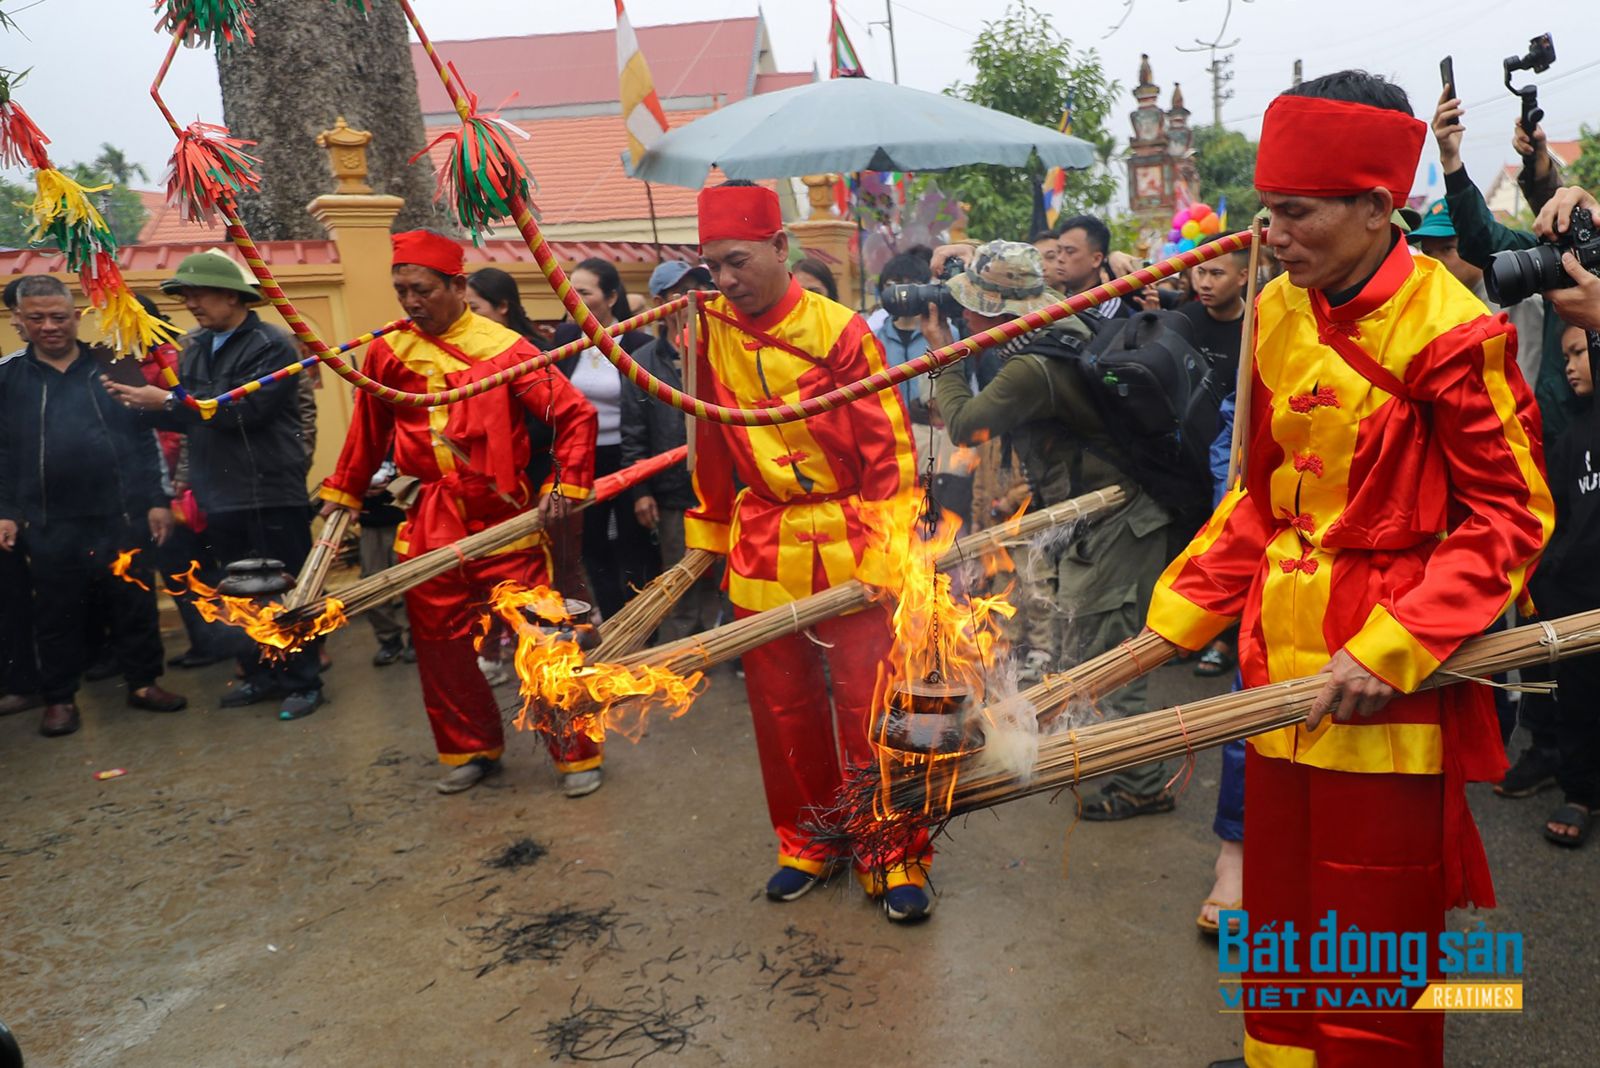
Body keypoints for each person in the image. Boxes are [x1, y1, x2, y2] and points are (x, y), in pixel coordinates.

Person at [1146, 72, 1551, 1068]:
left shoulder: (1453, 328)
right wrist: (1176, 619)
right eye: (1264, 213)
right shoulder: (1279, 311)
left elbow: (1512, 513)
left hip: (1383, 683)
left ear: (1376, 206)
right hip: (1276, 664)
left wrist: (1397, 643)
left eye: (1293, 214)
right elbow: (1261, 493)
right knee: (1277, 907)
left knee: (1371, 935)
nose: (1269, 237)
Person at [687, 181, 930, 923]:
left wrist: (896, 555)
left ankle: (894, 849)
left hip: (853, 542)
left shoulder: (842, 331)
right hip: (763, 543)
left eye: (736, 261)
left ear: (779, 247)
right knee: (782, 707)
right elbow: (708, 441)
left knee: (872, 706)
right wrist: (707, 537)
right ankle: (809, 841)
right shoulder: (707, 330)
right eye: (712, 267)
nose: (725, 280)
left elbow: (888, 448)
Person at [317, 231, 598, 795]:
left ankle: (575, 752)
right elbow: (366, 434)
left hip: (505, 515)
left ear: (458, 286)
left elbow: (575, 415)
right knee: (441, 643)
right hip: (431, 517)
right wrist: (341, 498)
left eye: (422, 290)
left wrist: (564, 482)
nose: (411, 302)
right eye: (401, 291)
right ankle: (470, 748)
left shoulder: (507, 348)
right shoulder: (385, 353)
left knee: (542, 638)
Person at [924, 241, 1178, 815]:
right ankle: (1108, 759)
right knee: (1082, 649)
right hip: (1093, 514)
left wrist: (946, 357)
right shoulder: (1054, 331)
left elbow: (964, 425)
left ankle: (1142, 784)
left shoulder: (1032, 366)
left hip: (1118, 517)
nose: (963, 316)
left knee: (1109, 654)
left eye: (972, 308)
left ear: (996, 311)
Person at [104, 250, 325, 722]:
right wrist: (138, 408)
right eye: (185, 296)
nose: (192, 304)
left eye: (198, 293)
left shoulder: (273, 344)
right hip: (217, 489)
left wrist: (166, 402)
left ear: (232, 295)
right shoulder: (196, 345)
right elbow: (194, 418)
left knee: (285, 587)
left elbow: (243, 411)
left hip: (270, 486)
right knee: (237, 590)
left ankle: (303, 681)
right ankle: (258, 674)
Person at [0, 276, 187, 737]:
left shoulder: (112, 366)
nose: (49, 327)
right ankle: (60, 699)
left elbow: (145, 441)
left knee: (134, 602)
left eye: (58, 317)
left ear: (75, 317)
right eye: (37, 318)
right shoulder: (7, 377)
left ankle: (144, 683)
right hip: (47, 520)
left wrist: (157, 502)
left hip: (120, 514)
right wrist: (5, 510)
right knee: (58, 613)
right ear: (19, 321)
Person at [1431, 89, 1578, 439]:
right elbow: (1486, 244)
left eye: (1445, 249)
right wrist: (1451, 160)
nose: (1437, 261)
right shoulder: (1579, 253)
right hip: (1554, 443)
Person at [467, 267, 591, 606]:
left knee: (554, 569)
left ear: (502, 307)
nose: (468, 320)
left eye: (475, 309)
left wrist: (506, 440)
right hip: (497, 484)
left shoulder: (531, 351)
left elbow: (556, 418)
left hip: (538, 474)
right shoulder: (471, 353)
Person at [620, 260, 721, 642]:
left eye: (698, 289)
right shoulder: (641, 363)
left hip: (725, 483)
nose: (691, 301)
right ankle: (682, 653)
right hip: (672, 489)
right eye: (680, 293)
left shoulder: (722, 349)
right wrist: (641, 491)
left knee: (732, 571)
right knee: (680, 573)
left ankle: (733, 644)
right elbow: (633, 432)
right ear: (659, 303)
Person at [550, 258, 657, 618]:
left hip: (626, 458)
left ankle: (639, 621)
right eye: (570, 291)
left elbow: (647, 411)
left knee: (631, 543)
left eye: (584, 292)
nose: (573, 299)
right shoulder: (565, 338)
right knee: (592, 544)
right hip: (583, 458)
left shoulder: (639, 342)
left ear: (611, 297)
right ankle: (611, 619)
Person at [1530, 323, 1600, 847]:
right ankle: (1580, 793)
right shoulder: (1573, 436)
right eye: (1565, 355)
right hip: (1579, 603)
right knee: (1579, 699)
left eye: (1579, 352)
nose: (1569, 366)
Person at [1177, 238, 1249, 681]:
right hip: (1184, 454)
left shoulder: (1261, 322)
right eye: (1198, 271)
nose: (1204, 281)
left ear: (1244, 275)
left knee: (1232, 542)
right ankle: (1190, 628)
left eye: (1216, 273)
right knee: (1192, 544)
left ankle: (1227, 638)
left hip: (1233, 456)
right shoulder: (1181, 321)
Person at [0, 277, 43, 718]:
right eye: (18, 313)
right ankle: (22, 681)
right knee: (10, 599)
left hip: (53, 506)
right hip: (11, 507)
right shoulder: (6, 372)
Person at [1055, 214, 1132, 319]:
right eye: (1058, 251)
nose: (1060, 258)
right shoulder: (1056, 299)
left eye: (1070, 251)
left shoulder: (1107, 306)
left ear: (1096, 259)